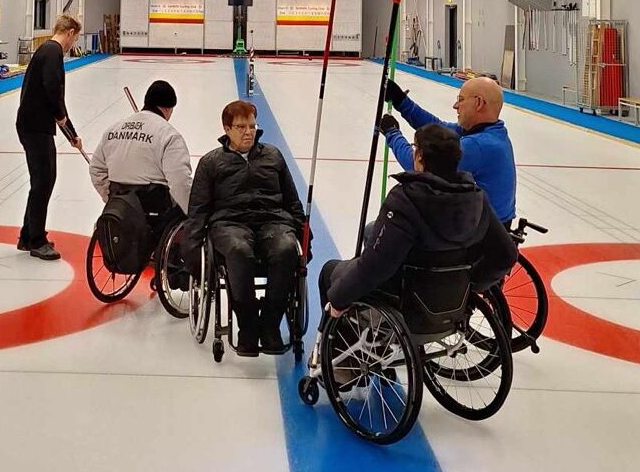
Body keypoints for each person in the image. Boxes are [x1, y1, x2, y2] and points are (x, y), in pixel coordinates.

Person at [320, 123, 517, 316]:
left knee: (330, 273)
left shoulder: (406, 199)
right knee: (372, 231)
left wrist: (338, 298)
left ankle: (341, 342)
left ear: (419, 156)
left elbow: (375, 267)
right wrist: (471, 285)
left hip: (409, 299)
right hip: (452, 298)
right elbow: (506, 253)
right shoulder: (477, 198)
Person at [186, 99, 303, 357]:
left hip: (273, 220)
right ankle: (248, 326)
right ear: (226, 129)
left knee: (285, 249)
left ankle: (270, 325)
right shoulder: (211, 163)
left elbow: (293, 201)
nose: (248, 131)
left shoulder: (273, 156)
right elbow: (198, 211)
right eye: (241, 127)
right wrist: (192, 251)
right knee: (238, 252)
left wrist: (306, 239)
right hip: (229, 223)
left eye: (251, 125)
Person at [379, 75, 517, 226]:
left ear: (478, 103)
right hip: (485, 224)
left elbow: (419, 165)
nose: (456, 105)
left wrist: (392, 133)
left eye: (461, 99)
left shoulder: (479, 145)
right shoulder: (490, 131)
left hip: (482, 235)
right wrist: (401, 102)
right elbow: (438, 128)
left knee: (376, 230)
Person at [16, 14, 83, 260]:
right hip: (35, 127)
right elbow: (53, 89)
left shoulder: (46, 50)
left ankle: (27, 235)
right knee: (44, 181)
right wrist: (62, 118)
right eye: (74, 38)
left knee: (41, 181)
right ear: (70, 32)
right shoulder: (53, 51)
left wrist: (71, 134)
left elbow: (54, 97)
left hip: (33, 125)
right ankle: (36, 240)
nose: (72, 45)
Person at [88, 79, 192, 229]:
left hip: (121, 207)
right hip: (156, 212)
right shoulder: (169, 135)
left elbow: (96, 169)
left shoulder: (113, 130)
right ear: (168, 109)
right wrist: (195, 214)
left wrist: (113, 199)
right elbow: (180, 182)